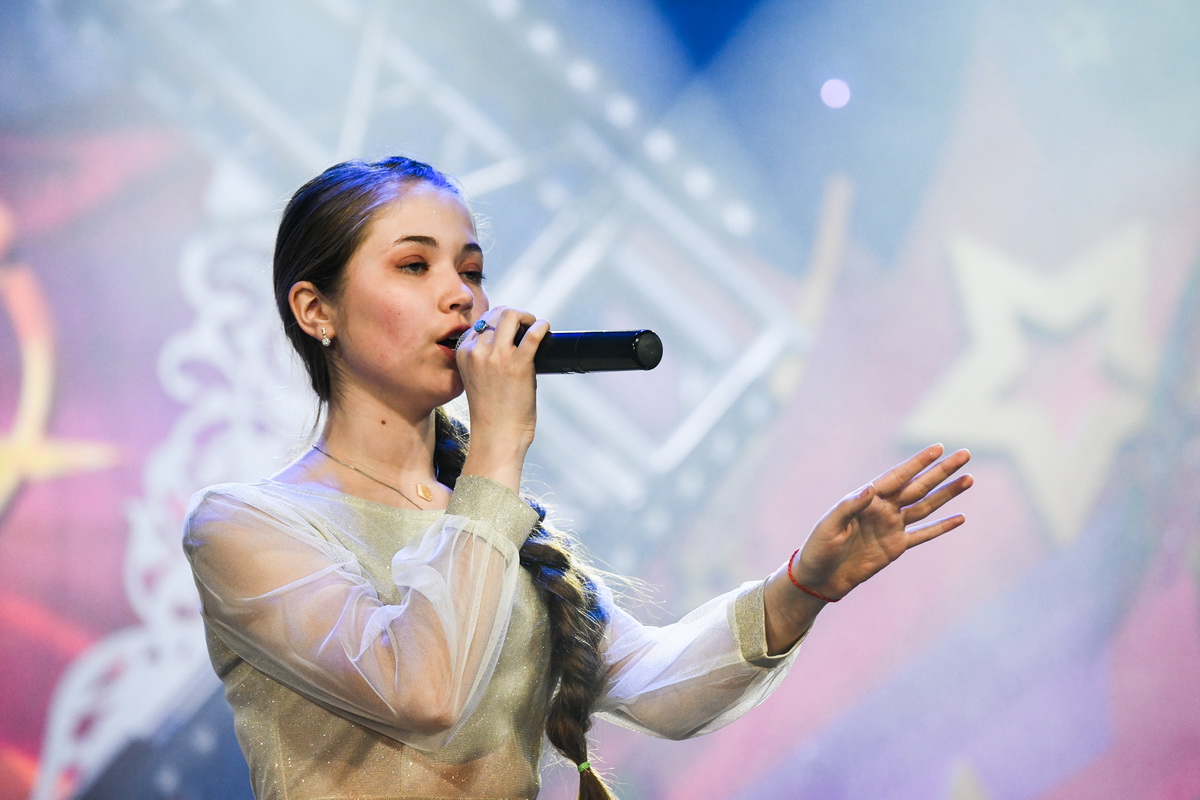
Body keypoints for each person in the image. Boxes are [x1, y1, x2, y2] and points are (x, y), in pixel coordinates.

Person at [182, 156, 973, 800]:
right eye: (414, 266)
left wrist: (802, 586)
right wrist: (497, 446)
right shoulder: (246, 527)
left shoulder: (492, 519)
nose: (461, 295)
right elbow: (423, 690)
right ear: (315, 310)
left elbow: (658, 690)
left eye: (471, 269)